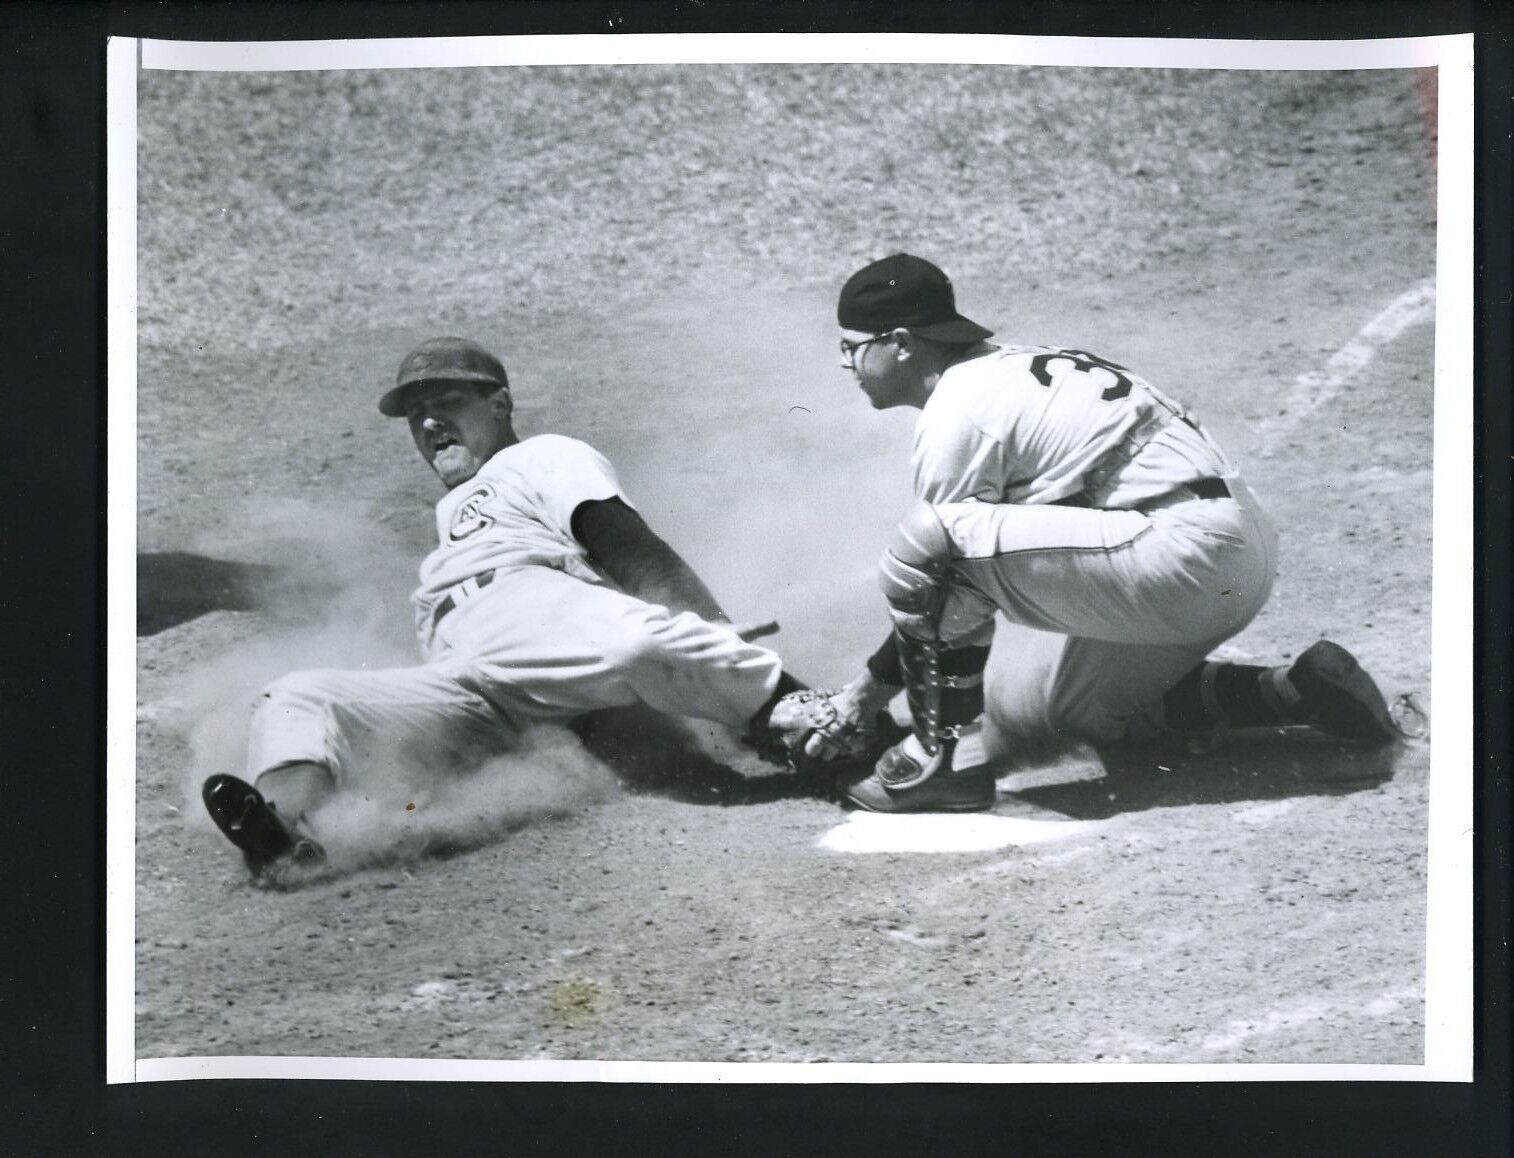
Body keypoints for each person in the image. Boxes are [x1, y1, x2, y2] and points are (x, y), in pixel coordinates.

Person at [766, 253, 1403, 813]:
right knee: (1090, 714)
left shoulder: (958, 410)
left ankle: (944, 762)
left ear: (901, 343)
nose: (848, 364)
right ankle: (1293, 691)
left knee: (930, 544)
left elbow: (937, 580)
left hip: (1182, 552)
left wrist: (857, 702)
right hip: (1232, 549)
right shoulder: (1017, 365)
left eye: (853, 347)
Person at [203, 336, 802, 878]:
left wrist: (710, 626)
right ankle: (285, 835)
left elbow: (624, 539)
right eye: (417, 416)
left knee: (637, 641)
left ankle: (801, 715)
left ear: (500, 405)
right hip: (471, 687)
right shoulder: (453, 514)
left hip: (537, 619)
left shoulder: (541, 456)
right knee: (297, 695)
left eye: (448, 402)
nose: (431, 422)